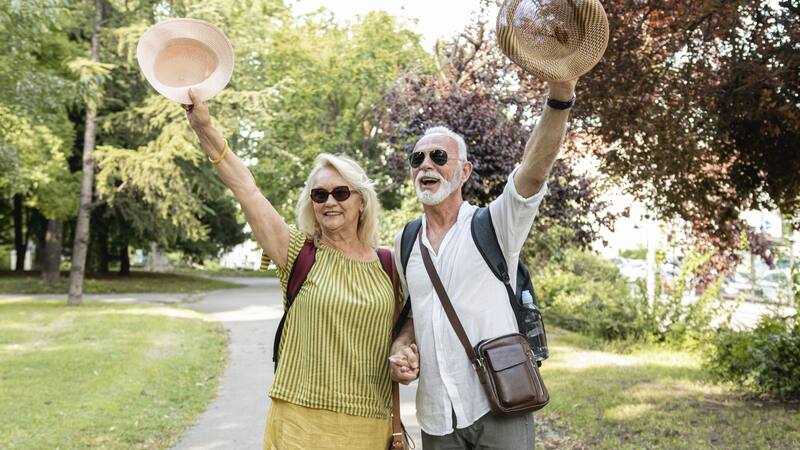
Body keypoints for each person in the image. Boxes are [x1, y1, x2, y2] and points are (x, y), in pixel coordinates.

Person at [183, 90, 401, 449]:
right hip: (299, 423)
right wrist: (205, 128)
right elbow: (246, 189)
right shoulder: (298, 251)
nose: (329, 202)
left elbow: (408, 330)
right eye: (319, 195)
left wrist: (407, 353)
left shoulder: (390, 265)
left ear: (361, 201)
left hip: (369, 425)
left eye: (340, 193)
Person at [388, 79, 579, 449]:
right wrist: (402, 348)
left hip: (500, 405)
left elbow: (533, 171)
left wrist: (560, 97)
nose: (426, 164)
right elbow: (413, 314)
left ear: (465, 172)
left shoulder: (495, 225)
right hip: (437, 416)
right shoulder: (405, 241)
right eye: (418, 159)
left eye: (439, 157)